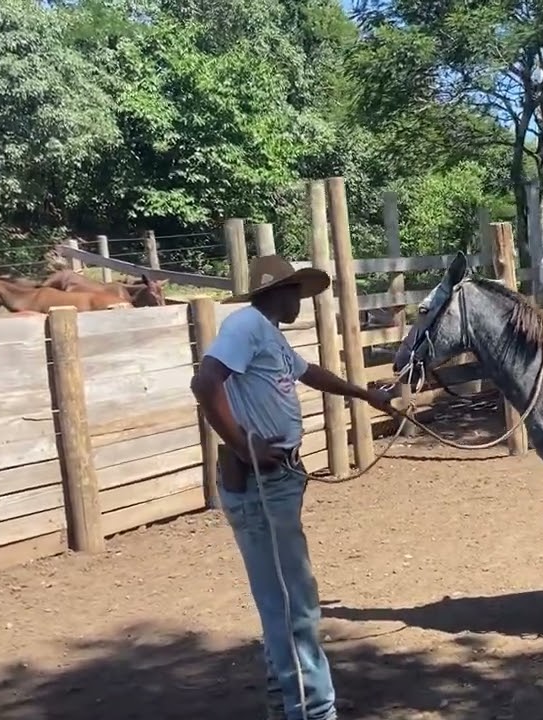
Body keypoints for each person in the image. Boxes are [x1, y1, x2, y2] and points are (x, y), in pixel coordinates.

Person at [190, 254, 397, 720]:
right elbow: (204, 382)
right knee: (294, 605)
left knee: (281, 600)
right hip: (262, 483)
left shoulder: (268, 335)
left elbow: (309, 374)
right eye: (297, 293)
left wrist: (366, 394)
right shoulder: (245, 326)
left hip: (278, 480)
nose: (302, 301)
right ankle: (315, 712)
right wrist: (243, 445)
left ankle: (286, 706)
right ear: (277, 294)